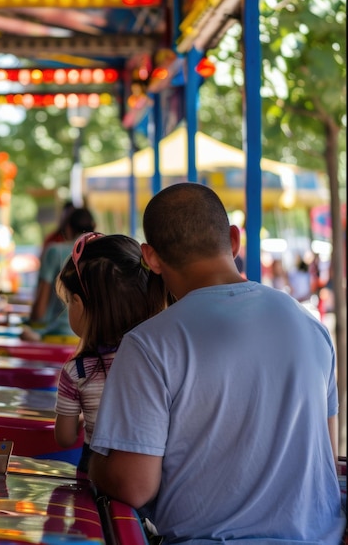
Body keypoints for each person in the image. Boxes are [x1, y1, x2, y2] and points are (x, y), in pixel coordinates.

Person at [89, 182, 344, 544]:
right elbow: (326, 459)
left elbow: (134, 486)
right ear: (234, 239)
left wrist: (97, 458)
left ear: (151, 257)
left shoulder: (149, 344)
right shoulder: (310, 327)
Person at [53, 233, 167, 474]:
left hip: (98, 476)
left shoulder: (77, 371)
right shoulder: (158, 362)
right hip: (149, 473)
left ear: (79, 303)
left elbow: (65, 437)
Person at [21, 207, 96, 342]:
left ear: (68, 228)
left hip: (56, 336)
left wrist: (31, 324)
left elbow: (39, 313)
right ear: (94, 227)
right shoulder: (100, 255)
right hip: (89, 339)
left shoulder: (55, 251)